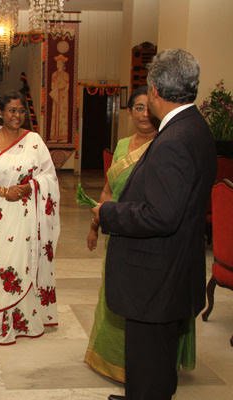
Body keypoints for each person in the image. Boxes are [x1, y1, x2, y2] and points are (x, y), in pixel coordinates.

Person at [92, 49, 216, 400]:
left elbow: (161, 215)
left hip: (156, 277)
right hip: (173, 267)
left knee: (149, 356)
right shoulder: (194, 127)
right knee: (155, 359)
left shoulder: (173, 140)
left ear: (156, 91)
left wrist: (108, 213)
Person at [85, 86, 194, 382]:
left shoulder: (166, 144)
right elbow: (108, 190)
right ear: (129, 112)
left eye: (148, 107)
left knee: (142, 305)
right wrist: (95, 226)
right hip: (118, 231)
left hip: (148, 237)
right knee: (114, 295)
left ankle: (144, 372)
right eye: (137, 108)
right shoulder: (122, 145)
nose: (144, 114)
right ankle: (111, 360)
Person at [0, 91, 61, 345]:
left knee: (26, 261)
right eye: (11, 110)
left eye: (21, 111)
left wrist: (31, 186)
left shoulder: (34, 140)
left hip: (28, 214)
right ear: (0, 112)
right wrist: (3, 191)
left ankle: (26, 318)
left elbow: (49, 176)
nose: (17, 115)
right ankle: (2, 316)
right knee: (1, 264)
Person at [48, 55, 70, 143]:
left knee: (62, 115)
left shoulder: (66, 75)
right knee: (55, 115)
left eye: (60, 63)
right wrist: (55, 90)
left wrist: (63, 92)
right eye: (57, 63)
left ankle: (63, 137)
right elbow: (52, 86)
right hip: (56, 95)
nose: (58, 64)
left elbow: (67, 86)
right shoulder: (54, 74)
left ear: (63, 64)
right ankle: (54, 137)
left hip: (63, 96)